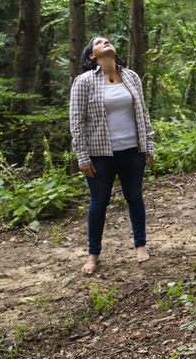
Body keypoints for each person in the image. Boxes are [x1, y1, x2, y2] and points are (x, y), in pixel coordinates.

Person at [69, 36, 155, 275]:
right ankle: (93, 254)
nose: (106, 42)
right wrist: (82, 157)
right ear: (92, 55)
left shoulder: (131, 76)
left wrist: (148, 144)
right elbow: (76, 122)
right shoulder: (84, 81)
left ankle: (140, 245)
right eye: (99, 42)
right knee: (98, 203)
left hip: (132, 150)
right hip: (99, 154)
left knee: (134, 197)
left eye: (108, 40)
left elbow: (143, 113)